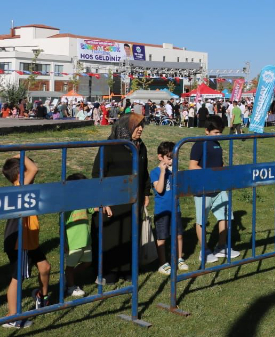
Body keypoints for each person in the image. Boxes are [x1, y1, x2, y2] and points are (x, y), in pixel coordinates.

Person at [91, 114, 151, 284]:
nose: (140, 129)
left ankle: (127, 269)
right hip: (112, 201)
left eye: (142, 126)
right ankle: (108, 271)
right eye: (137, 126)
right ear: (126, 127)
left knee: (130, 233)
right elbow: (97, 174)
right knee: (111, 234)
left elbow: (144, 171)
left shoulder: (140, 147)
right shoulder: (109, 147)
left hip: (132, 199)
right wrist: (103, 199)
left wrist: (146, 192)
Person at [2, 155, 51, 328]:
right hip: (19, 240)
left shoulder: (22, 186)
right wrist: (19, 154)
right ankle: (12, 317)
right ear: (19, 175)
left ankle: (42, 297)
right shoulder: (20, 186)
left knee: (45, 267)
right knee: (17, 278)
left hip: (28, 239)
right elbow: (34, 168)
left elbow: (32, 170)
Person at [189, 115, 240, 263]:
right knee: (202, 220)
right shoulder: (199, 144)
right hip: (203, 189)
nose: (219, 135)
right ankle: (204, 251)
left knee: (225, 215)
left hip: (219, 188)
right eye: (215, 133)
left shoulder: (218, 144)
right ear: (207, 131)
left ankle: (222, 247)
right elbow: (192, 166)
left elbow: (220, 165)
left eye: (220, 132)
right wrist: (210, 176)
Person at [151, 142, 188, 274]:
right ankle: (163, 263)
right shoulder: (155, 172)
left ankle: (179, 258)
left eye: (174, 158)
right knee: (162, 237)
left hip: (175, 208)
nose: (172, 161)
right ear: (160, 157)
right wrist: (163, 172)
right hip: (162, 210)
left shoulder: (175, 171)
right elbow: (160, 189)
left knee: (178, 235)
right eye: (169, 158)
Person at [64, 173, 93, 297]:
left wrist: (104, 206)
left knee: (88, 262)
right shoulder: (66, 205)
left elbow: (93, 209)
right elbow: (62, 225)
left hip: (86, 239)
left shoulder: (85, 200)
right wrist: (65, 241)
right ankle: (71, 287)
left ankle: (69, 278)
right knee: (70, 266)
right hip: (72, 241)